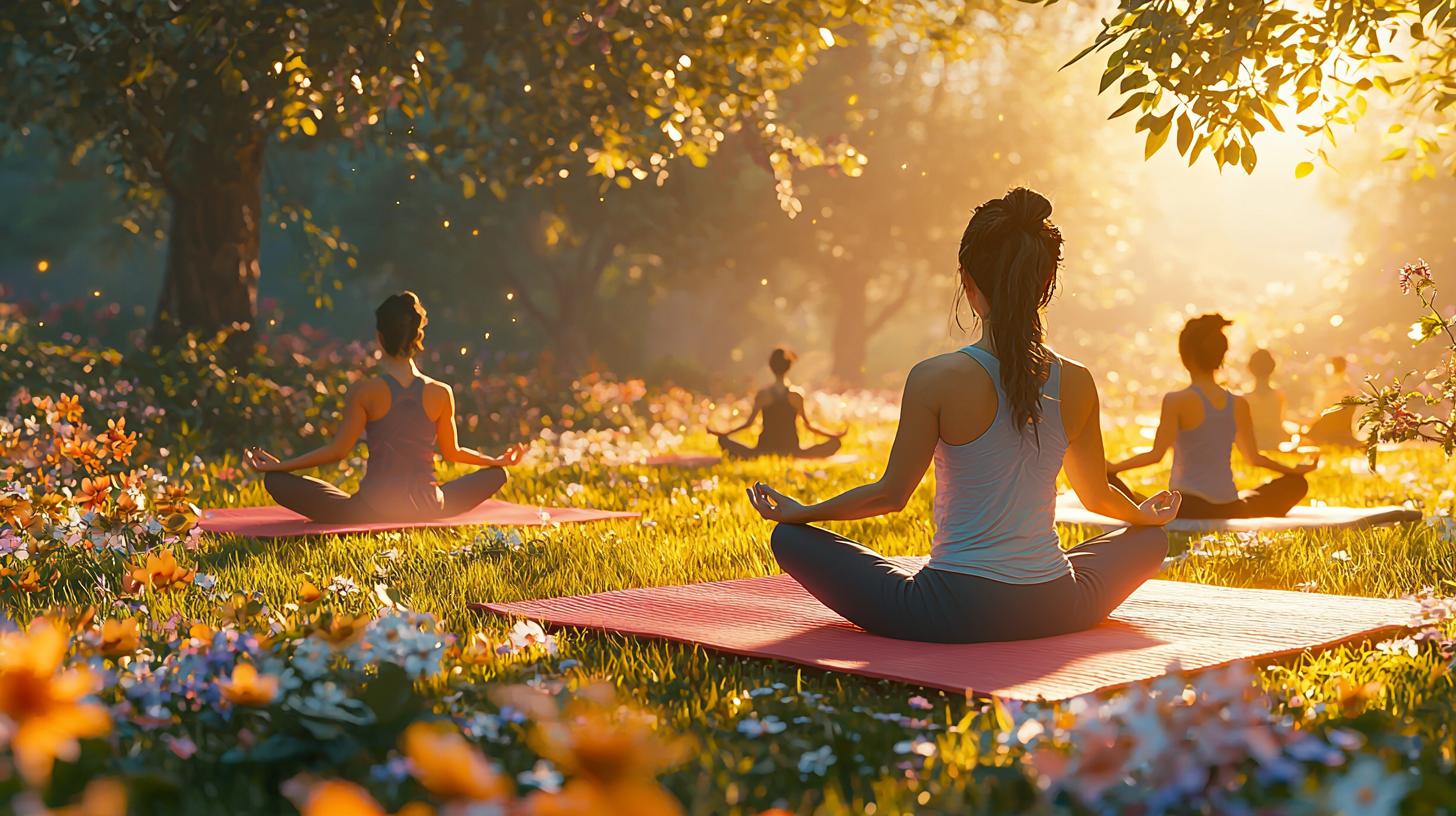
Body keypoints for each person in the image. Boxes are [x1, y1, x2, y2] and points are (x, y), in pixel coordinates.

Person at [744, 188, 1178, 645]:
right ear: (1046, 283)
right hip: (1057, 605)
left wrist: (802, 512)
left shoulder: (937, 377)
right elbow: (1096, 496)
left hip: (949, 613)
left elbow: (889, 497)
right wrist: (1142, 518)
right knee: (1150, 542)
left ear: (969, 283)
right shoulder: (1078, 380)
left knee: (790, 540)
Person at [243, 291, 527, 522]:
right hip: (430, 508)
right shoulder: (441, 392)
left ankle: (282, 478)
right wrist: (497, 462)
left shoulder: (365, 392)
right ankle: (491, 473)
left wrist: (280, 467)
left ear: (380, 338)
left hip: (370, 510)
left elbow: (337, 451)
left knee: (276, 483)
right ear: (419, 337)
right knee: (497, 475)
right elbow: (453, 452)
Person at [1107, 314, 1318, 520]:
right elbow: (1254, 458)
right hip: (1230, 508)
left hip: (1186, 508)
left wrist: (1113, 468)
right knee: (1297, 484)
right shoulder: (1238, 404)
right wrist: (1293, 471)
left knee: (1109, 482)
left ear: (1185, 357)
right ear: (1221, 356)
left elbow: (1156, 455)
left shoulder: (1176, 400)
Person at [711, 347, 847, 459]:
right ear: (789, 367)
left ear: (771, 367)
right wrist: (834, 435)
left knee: (723, 441)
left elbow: (748, 423)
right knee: (835, 443)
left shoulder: (763, 395)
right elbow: (809, 425)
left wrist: (723, 433)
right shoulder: (796, 395)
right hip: (791, 450)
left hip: (764, 449)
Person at [1245, 348, 1288, 451]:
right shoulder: (1279, 397)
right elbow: (1279, 428)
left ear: (1250, 369)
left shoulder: (1244, 399)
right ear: (1272, 369)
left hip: (1253, 443)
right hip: (1274, 443)